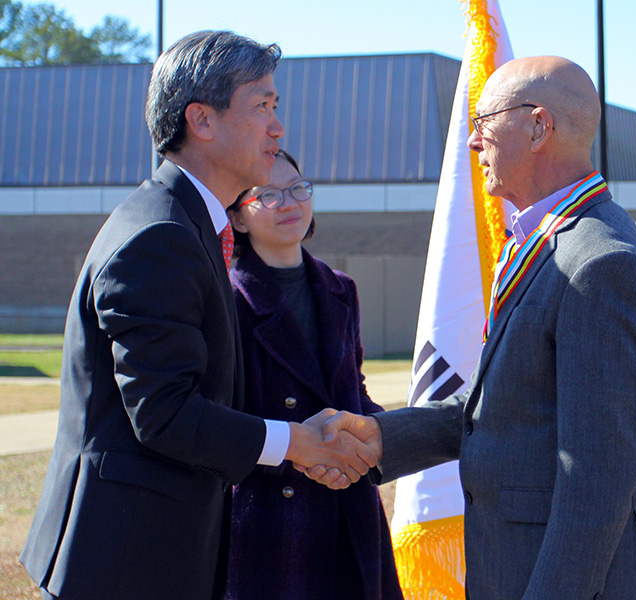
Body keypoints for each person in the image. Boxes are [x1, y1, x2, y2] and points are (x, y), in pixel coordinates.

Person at [299, 56, 636, 600]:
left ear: (537, 126)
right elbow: (503, 406)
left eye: (483, 123)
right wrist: (383, 436)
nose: (473, 144)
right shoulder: (548, 239)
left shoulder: (599, 262)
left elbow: (597, 474)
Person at [19, 31, 374, 600]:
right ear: (201, 121)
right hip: (124, 565)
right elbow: (164, 414)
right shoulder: (160, 235)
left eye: (275, 107)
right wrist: (298, 444)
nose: (277, 126)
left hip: (150, 553)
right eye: (261, 105)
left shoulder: (185, 222)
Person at [223, 149, 403, 600]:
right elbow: (220, 416)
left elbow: (353, 390)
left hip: (349, 503)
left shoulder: (341, 288)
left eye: (298, 189)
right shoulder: (226, 297)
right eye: (267, 194)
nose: (289, 203)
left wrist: (372, 437)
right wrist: (306, 452)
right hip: (268, 513)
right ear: (239, 218)